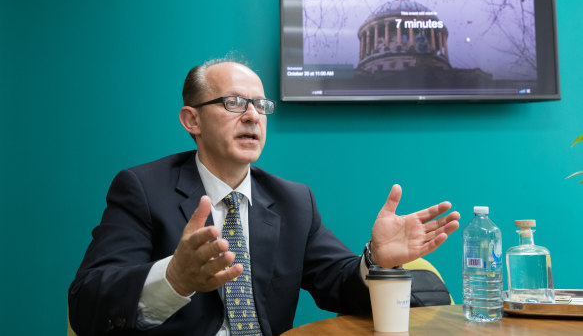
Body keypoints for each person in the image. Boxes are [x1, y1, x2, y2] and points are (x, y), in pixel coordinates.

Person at [69, 58, 460, 336]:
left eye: (261, 106)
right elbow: (87, 300)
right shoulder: (142, 189)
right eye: (234, 103)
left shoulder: (293, 200)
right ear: (192, 120)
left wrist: (374, 260)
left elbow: (338, 284)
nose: (253, 116)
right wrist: (174, 278)